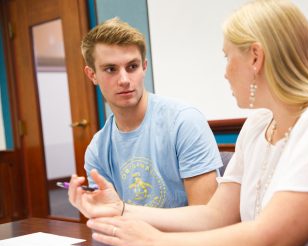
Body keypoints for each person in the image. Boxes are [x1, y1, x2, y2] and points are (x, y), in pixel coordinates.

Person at [75, 0, 308, 246]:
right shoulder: (258, 125)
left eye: (227, 57)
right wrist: (121, 210)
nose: (225, 72)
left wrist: (151, 242)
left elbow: (266, 245)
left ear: (255, 57)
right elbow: (214, 217)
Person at [69, 17, 222, 212]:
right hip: (130, 242)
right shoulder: (97, 150)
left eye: (132, 66)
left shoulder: (184, 122)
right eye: (110, 69)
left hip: (186, 242)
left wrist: (122, 211)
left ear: (144, 67)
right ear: (92, 75)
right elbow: (109, 221)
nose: (124, 80)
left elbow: (206, 220)